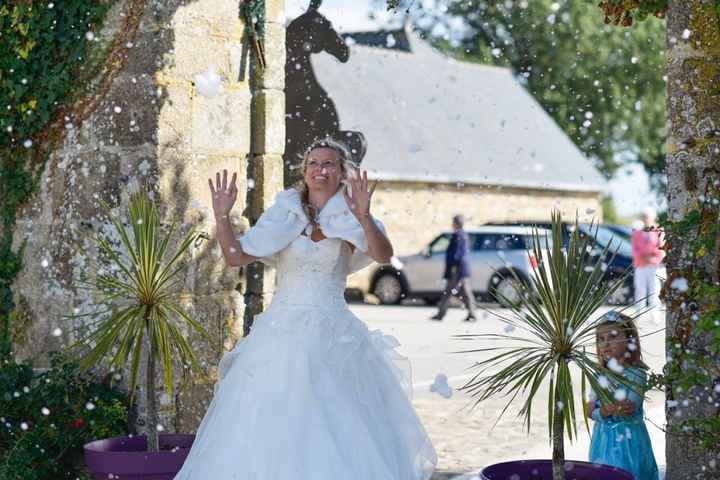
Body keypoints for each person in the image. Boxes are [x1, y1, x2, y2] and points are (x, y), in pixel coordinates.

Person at [174, 137, 437, 479]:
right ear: (304, 171)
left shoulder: (350, 214)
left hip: (334, 337)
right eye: (313, 163)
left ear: (342, 172)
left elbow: (383, 255)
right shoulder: (284, 212)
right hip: (281, 334)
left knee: (338, 424)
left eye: (328, 164)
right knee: (271, 425)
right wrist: (222, 216)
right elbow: (234, 256)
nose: (320, 170)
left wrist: (365, 215)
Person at [585, 312, 659, 480]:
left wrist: (603, 411)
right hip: (602, 440)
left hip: (629, 439)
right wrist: (605, 411)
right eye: (600, 339)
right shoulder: (599, 375)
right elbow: (589, 411)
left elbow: (628, 409)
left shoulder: (637, 374)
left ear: (629, 339)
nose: (606, 343)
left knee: (629, 474)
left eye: (612, 336)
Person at [431, 214, 477, 322]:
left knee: (449, 292)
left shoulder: (459, 235)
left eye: (453, 222)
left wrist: (453, 269)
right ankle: (471, 313)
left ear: (456, 223)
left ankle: (441, 314)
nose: (452, 224)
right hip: (460, 269)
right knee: (465, 292)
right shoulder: (462, 235)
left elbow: (457, 254)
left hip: (457, 269)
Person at [631, 207, 665, 313]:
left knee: (654, 290)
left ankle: (654, 314)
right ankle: (639, 313)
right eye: (643, 217)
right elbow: (634, 248)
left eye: (647, 217)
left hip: (654, 265)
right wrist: (642, 257)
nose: (645, 219)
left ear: (652, 217)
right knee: (640, 289)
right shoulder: (637, 231)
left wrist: (653, 257)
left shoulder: (658, 230)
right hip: (640, 264)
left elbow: (662, 247)